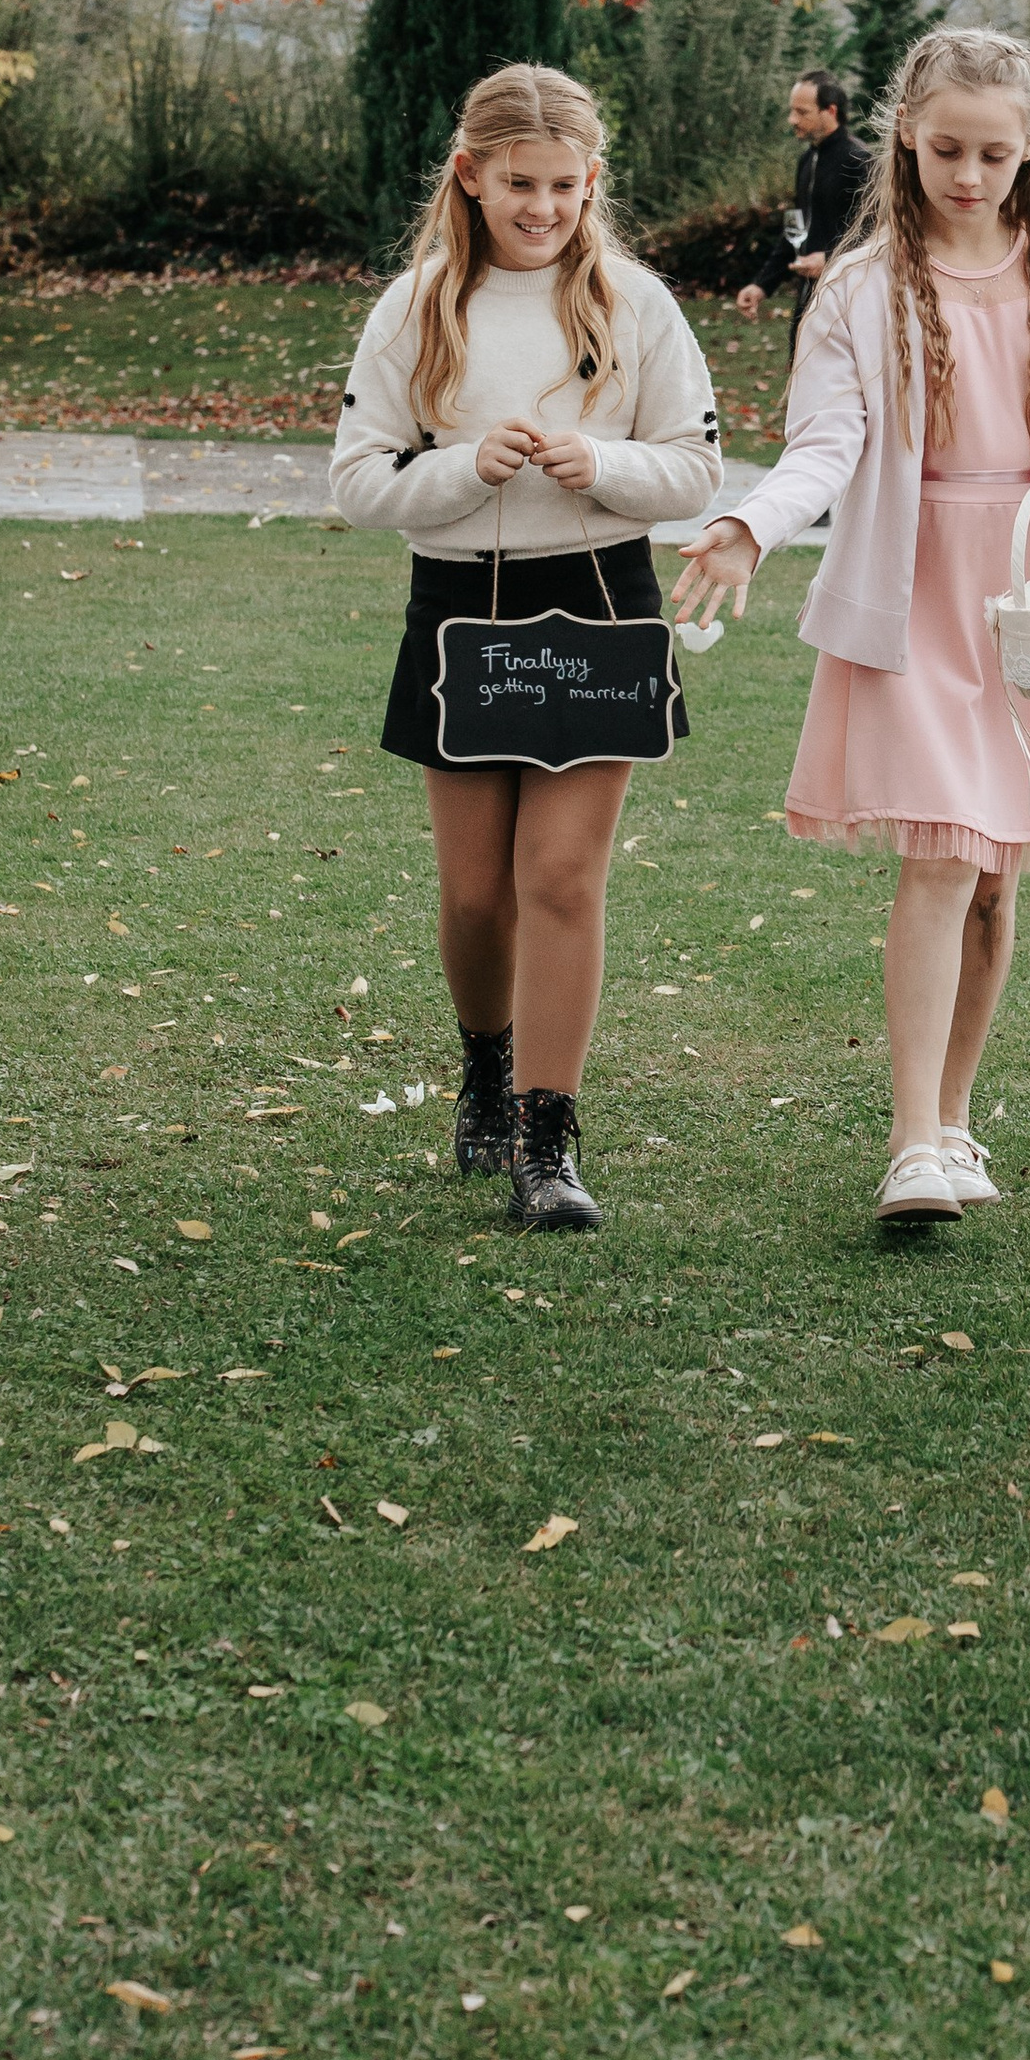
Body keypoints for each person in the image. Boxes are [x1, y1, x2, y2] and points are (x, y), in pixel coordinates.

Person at [675, 27, 1030, 1227]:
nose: (968, 175)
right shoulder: (860, 288)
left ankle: (951, 1119)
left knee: (995, 878)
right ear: (905, 135)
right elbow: (823, 448)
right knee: (940, 857)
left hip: (1024, 598)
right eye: (947, 149)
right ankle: (908, 1144)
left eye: (994, 153)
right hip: (913, 593)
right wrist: (748, 525)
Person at [330, 64, 722, 1234]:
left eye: (562, 184)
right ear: (470, 175)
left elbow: (696, 467)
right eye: (518, 184)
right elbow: (358, 481)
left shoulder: (636, 303)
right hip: (461, 609)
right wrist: (463, 469)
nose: (542, 207)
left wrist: (601, 464)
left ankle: (546, 1140)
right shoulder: (416, 307)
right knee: (474, 893)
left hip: (600, 603)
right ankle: (487, 1074)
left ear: (591, 180)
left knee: (559, 876)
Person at [734, 70, 865, 334]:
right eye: (792, 111)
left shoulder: (860, 161)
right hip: (808, 299)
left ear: (830, 111)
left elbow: (876, 231)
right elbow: (796, 230)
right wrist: (762, 285)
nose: (792, 119)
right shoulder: (807, 161)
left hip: (849, 302)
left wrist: (830, 259)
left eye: (802, 112)